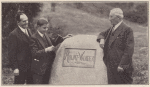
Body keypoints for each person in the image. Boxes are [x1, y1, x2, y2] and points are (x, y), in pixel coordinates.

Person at [97, 8, 134, 84]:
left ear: (118, 18)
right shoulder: (111, 28)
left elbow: (129, 49)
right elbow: (101, 34)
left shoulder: (127, 29)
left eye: (111, 16)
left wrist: (122, 65)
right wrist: (102, 39)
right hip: (110, 66)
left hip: (121, 67)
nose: (109, 19)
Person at [30, 18, 72, 84]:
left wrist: (64, 38)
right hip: (38, 70)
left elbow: (53, 42)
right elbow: (34, 53)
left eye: (47, 28)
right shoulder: (33, 38)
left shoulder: (45, 35)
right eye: (44, 28)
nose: (46, 30)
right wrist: (46, 50)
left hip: (47, 68)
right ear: (38, 27)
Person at [8, 12, 33, 84]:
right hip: (20, 67)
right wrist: (15, 68)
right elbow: (11, 53)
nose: (26, 22)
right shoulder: (13, 34)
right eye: (24, 21)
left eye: (27, 20)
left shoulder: (29, 30)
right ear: (18, 22)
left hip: (30, 66)